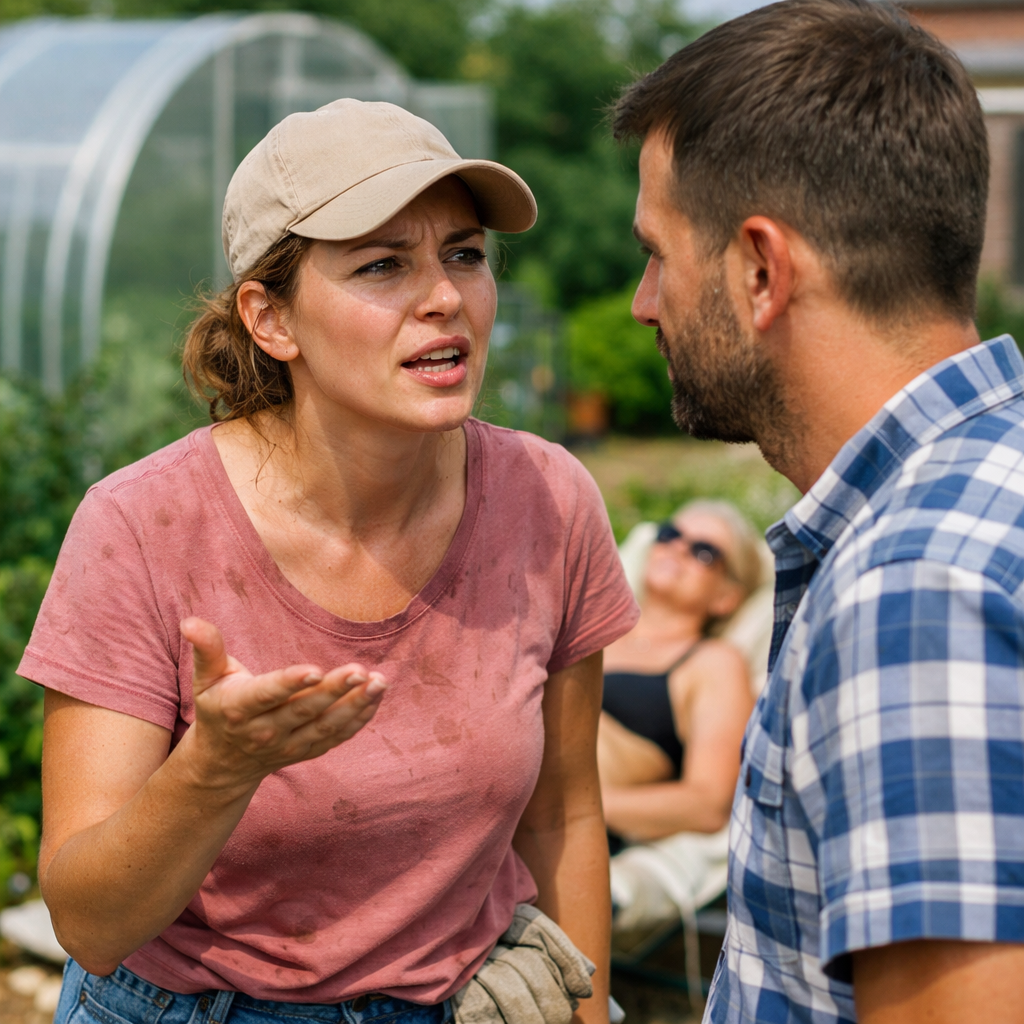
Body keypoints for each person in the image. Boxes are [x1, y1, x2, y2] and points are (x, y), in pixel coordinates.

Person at [21, 99, 639, 1024]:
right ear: (272, 319)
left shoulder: (548, 500)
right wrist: (215, 771)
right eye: (382, 264)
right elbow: (88, 923)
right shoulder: (141, 525)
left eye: (464, 254)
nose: (445, 296)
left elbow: (564, 816)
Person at [614, 1, 1024, 1021]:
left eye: (658, 252)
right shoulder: (990, 484)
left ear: (761, 270)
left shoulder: (913, 587)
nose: (642, 301)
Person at [599, 500, 760, 846]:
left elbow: (708, 803)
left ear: (726, 597)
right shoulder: (591, 624)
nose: (677, 548)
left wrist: (568, 808)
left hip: (546, 820)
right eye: (669, 534)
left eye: (704, 552)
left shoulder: (714, 662)